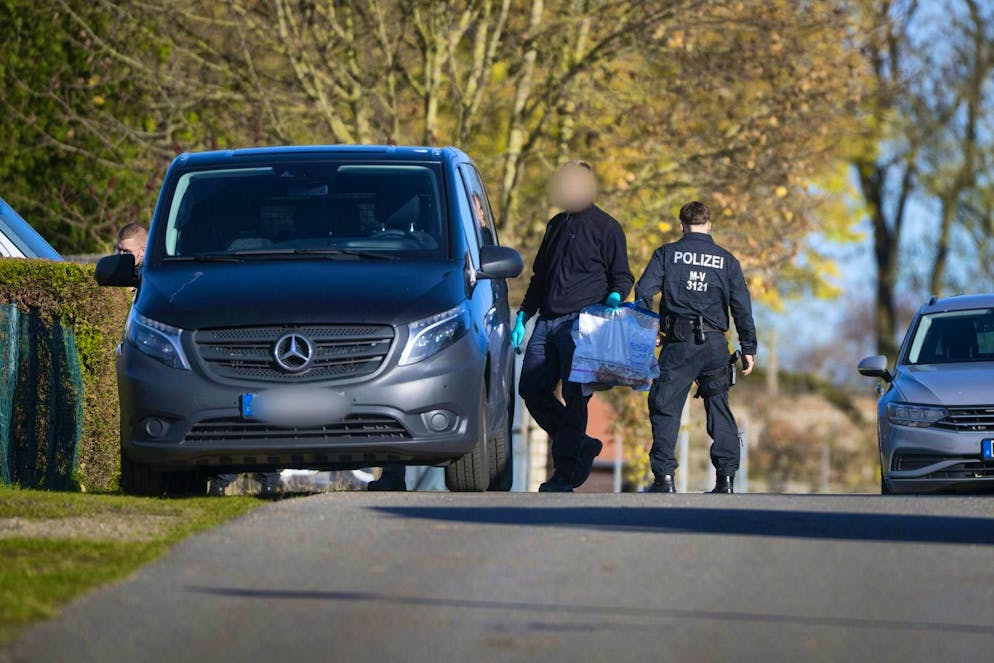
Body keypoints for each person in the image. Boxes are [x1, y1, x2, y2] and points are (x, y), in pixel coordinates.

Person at [512, 160, 634, 492]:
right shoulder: (554, 226)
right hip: (547, 321)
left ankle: (565, 474)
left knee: (575, 396)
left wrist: (614, 296)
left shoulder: (607, 228)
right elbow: (540, 277)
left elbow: (622, 275)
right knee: (531, 391)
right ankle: (580, 443)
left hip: (583, 323)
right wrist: (524, 314)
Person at [633, 201, 756, 493]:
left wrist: (649, 329)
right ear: (709, 225)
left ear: (681, 226)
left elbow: (643, 292)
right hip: (715, 346)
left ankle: (664, 479)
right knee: (719, 409)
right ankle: (726, 479)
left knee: (665, 407)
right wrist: (749, 347)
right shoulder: (727, 261)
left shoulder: (666, 254)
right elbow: (741, 306)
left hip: (678, 344)